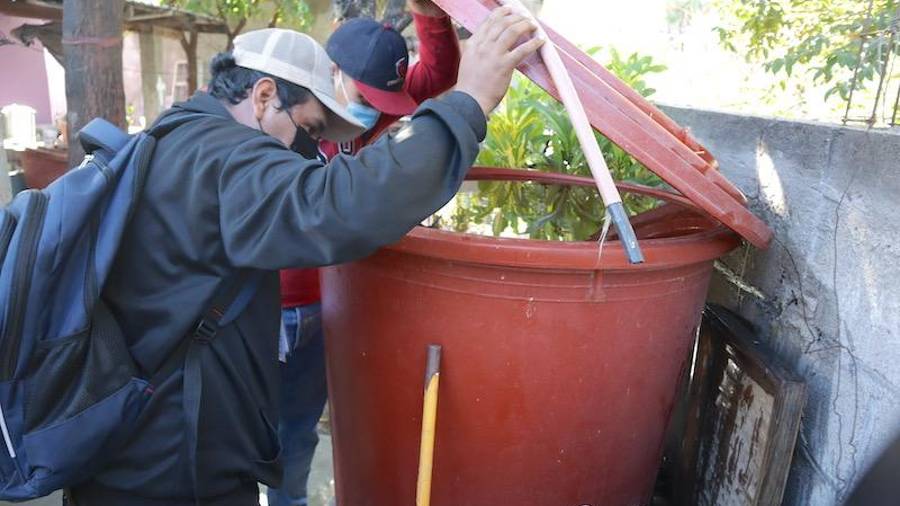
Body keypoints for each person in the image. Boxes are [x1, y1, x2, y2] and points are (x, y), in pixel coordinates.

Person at [66, 7, 543, 506]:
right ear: (263, 96)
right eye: (309, 129)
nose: (308, 150)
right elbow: (340, 204)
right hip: (170, 466)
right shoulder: (221, 158)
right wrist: (468, 104)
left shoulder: (179, 133)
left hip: (151, 441)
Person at [270, 2, 461, 505]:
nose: (373, 111)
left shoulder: (381, 101)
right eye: (364, 97)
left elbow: (440, 73)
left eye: (382, 101)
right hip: (268, 302)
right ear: (331, 72)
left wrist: (429, 15)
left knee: (296, 432)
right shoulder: (278, 113)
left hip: (328, 304)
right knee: (241, 426)